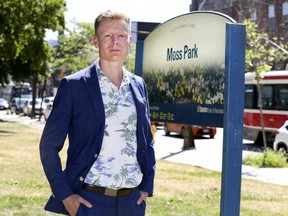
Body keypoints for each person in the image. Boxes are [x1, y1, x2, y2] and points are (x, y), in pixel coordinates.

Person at [39, 10, 156, 216]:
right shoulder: (73, 86)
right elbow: (48, 147)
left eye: (120, 36)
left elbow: (146, 140)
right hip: (90, 202)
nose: (114, 42)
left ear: (130, 41)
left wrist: (147, 186)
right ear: (96, 41)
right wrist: (65, 196)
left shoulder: (139, 85)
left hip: (132, 203)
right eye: (107, 36)